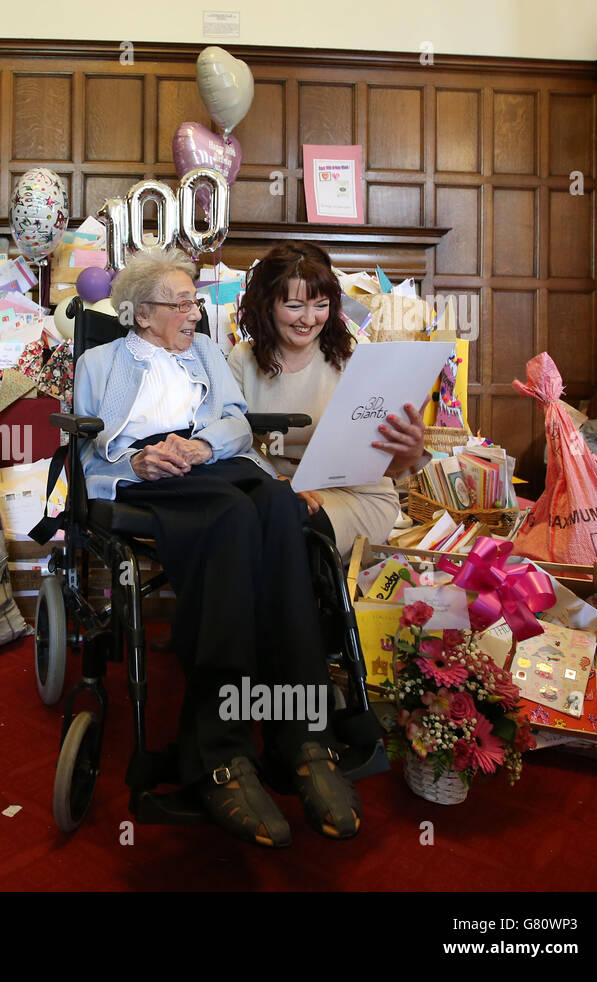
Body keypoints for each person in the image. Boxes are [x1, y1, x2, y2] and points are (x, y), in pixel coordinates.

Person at [74, 248, 360, 849]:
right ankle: (219, 753)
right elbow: (91, 441)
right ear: (140, 313)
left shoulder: (206, 353)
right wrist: (140, 456)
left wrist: (203, 447)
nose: (192, 312)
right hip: (146, 473)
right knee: (233, 516)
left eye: (193, 300)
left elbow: (234, 419)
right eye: (178, 303)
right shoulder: (101, 361)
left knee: (282, 506)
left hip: (213, 459)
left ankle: (302, 735)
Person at [228, 242, 428, 562]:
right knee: (246, 521)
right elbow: (236, 443)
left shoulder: (353, 353)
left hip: (357, 496)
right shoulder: (243, 360)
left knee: (286, 525)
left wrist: (411, 449)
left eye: (320, 305)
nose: (309, 319)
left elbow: (396, 463)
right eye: (294, 306)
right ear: (267, 304)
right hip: (278, 491)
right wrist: (272, 481)